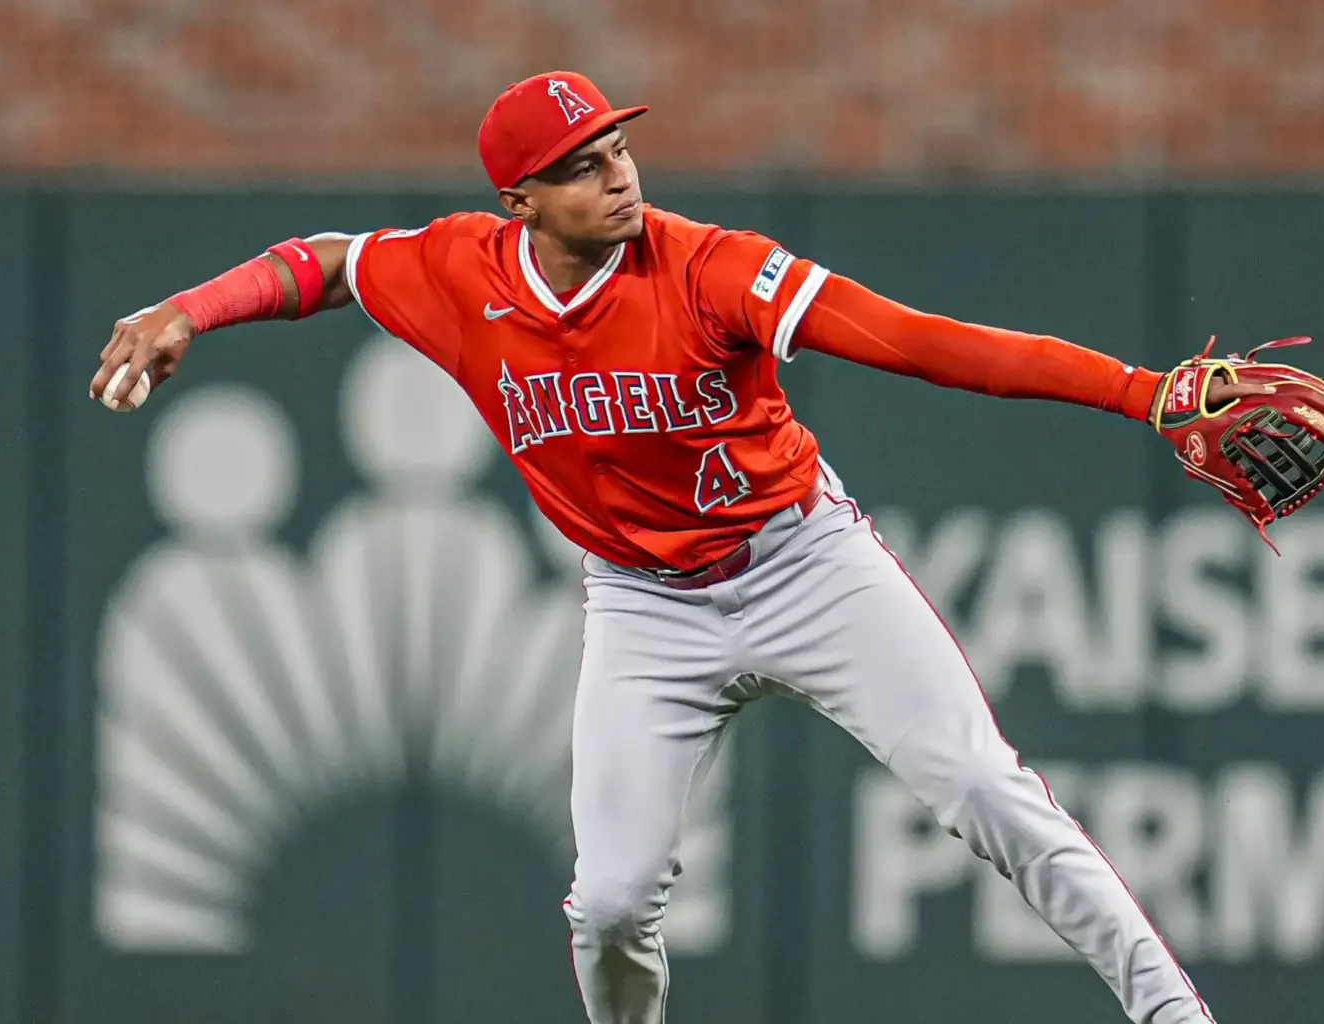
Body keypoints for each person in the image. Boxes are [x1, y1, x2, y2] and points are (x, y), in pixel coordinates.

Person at [93, 70, 1259, 1024]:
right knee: (606, 904)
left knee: (986, 790)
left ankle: (1174, 1016)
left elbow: (917, 341)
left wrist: (1140, 390)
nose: (618, 175)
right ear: (522, 202)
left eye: (617, 147)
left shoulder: (707, 268)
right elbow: (329, 262)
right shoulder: (461, 274)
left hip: (802, 563)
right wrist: (187, 308)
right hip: (645, 608)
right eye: (582, 165)